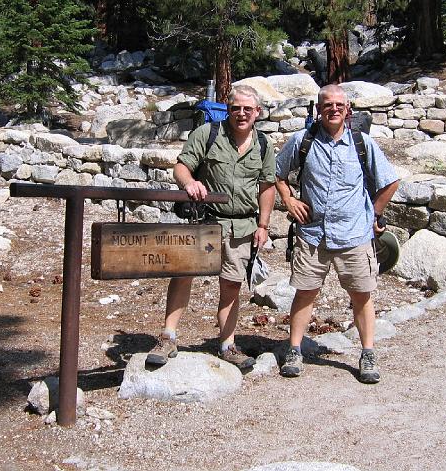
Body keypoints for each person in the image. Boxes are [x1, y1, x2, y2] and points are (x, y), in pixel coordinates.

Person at [275, 84, 400, 383]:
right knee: (305, 293)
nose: (333, 109)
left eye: (339, 105)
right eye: (327, 104)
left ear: (348, 111)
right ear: (319, 109)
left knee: (361, 295)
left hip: (354, 234)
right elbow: (276, 174)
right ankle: (295, 349)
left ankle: (368, 353)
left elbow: (390, 182)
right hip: (312, 233)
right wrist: (289, 200)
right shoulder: (301, 141)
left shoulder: (362, 143)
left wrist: (375, 215)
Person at [146, 84, 276, 369]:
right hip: (205, 222)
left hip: (242, 227)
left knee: (231, 285)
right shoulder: (208, 134)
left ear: (258, 112)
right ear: (227, 109)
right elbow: (181, 166)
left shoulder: (264, 144)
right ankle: (167, 337)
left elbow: (267, 185)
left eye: (247, 109)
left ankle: (227, 345)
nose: (241, 114)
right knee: (184, 276)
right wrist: (189, 183)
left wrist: (264, 225)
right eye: (235, 108)